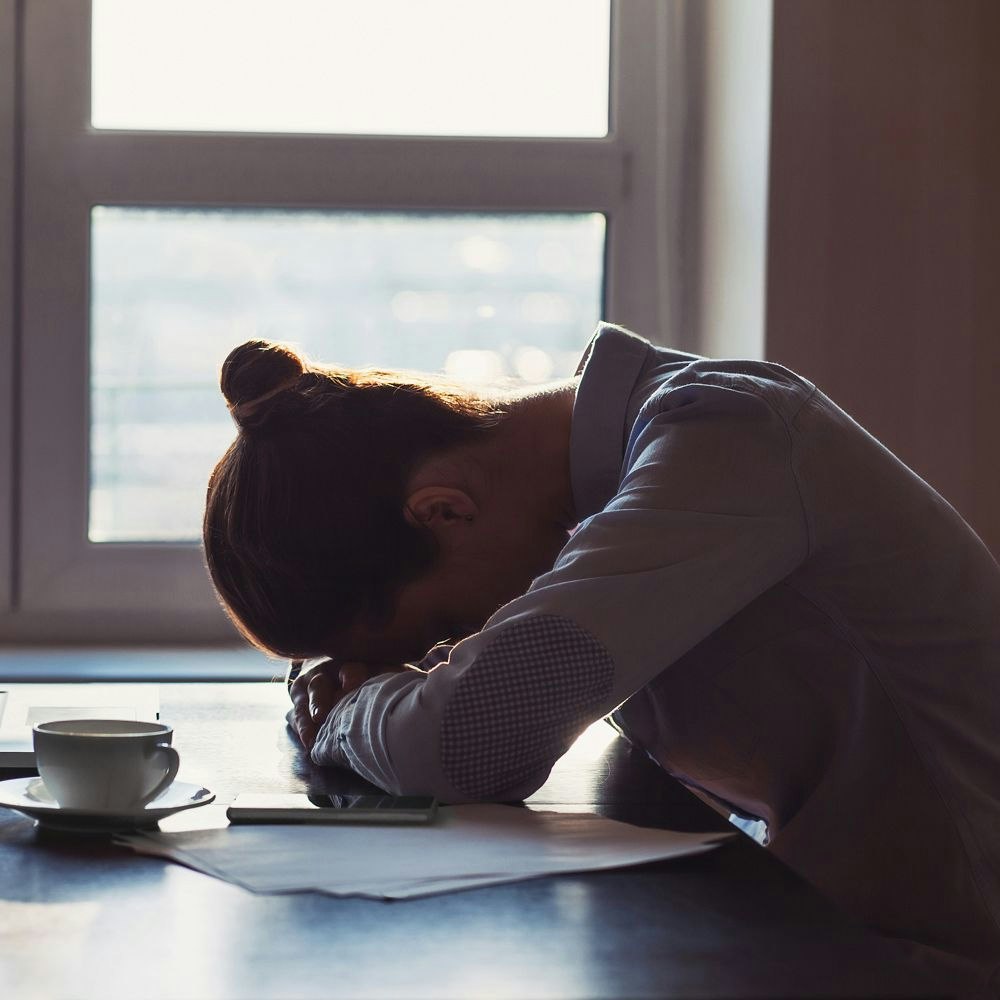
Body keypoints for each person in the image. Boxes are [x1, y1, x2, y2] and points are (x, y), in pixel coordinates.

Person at [204, 324, 1000, 972]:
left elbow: (468, 739)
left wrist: (346, 710)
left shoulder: (728, 444)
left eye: (435, 632)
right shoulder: (613, 478)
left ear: (442, 512)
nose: (449, 654)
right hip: (825, 916)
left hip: (944, 946)